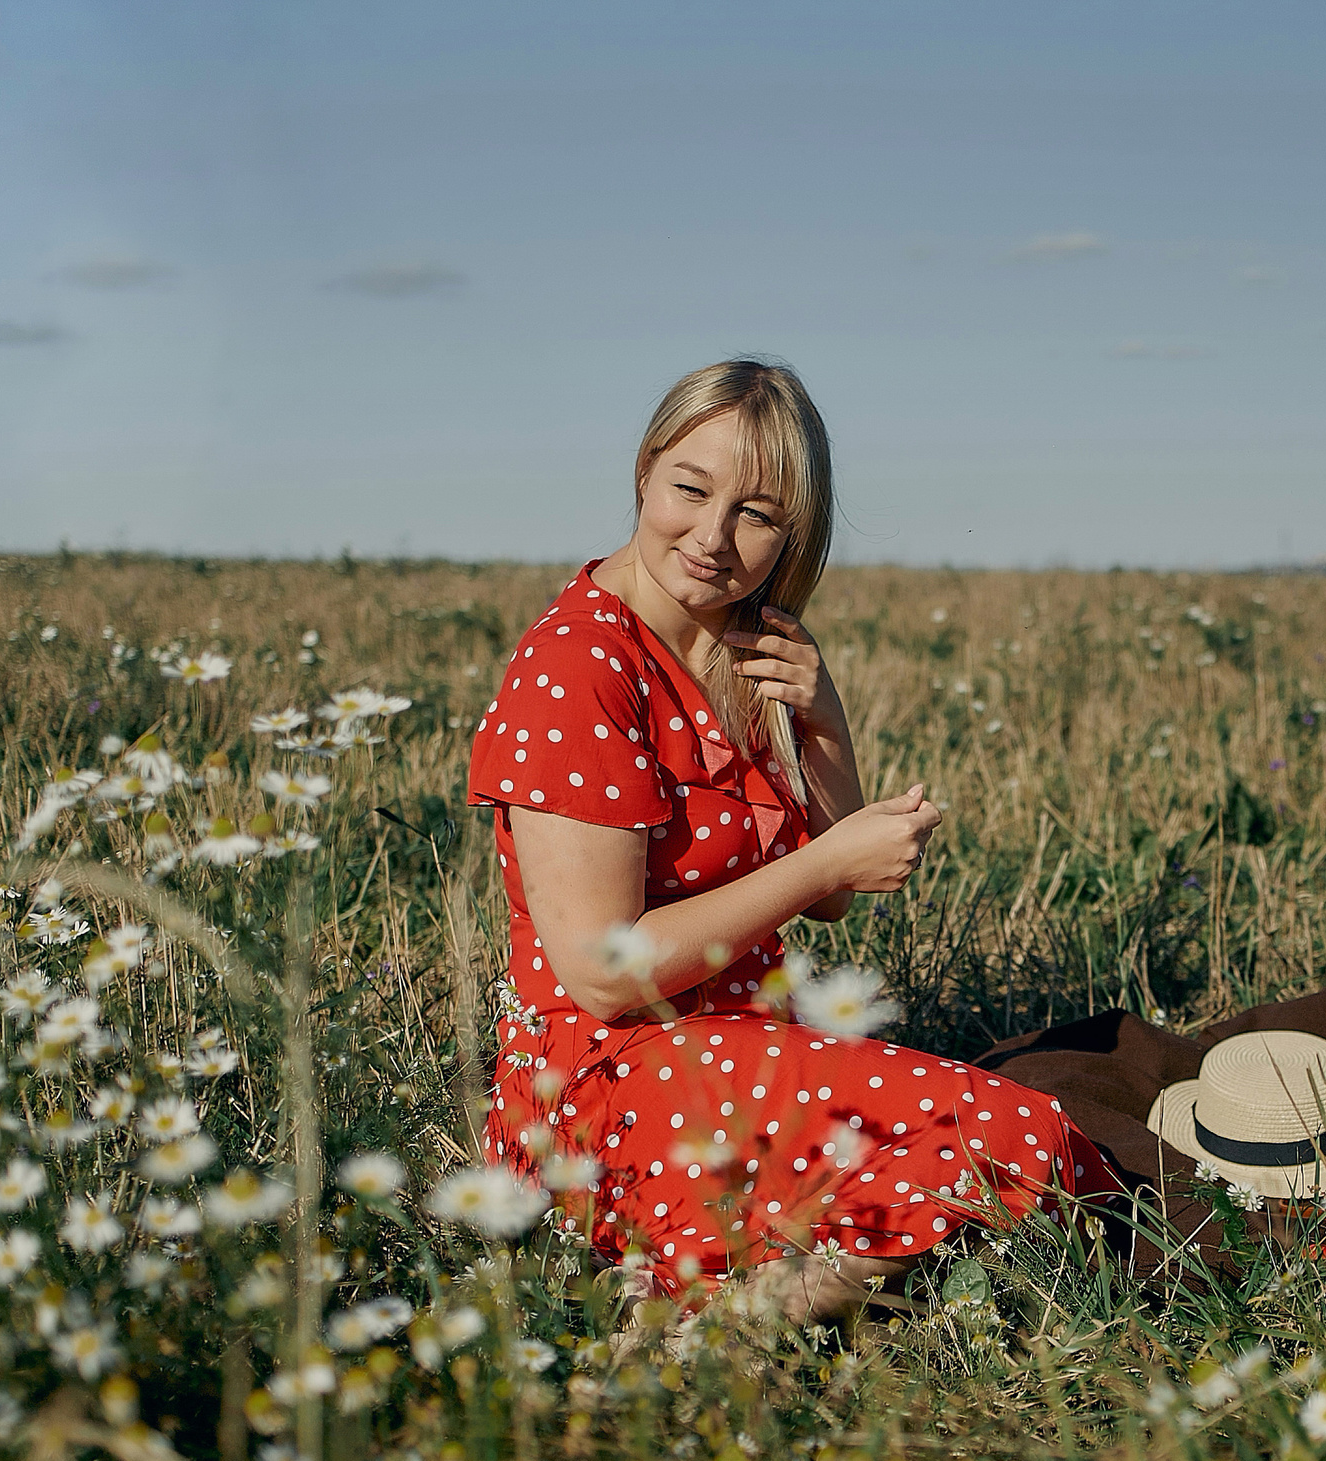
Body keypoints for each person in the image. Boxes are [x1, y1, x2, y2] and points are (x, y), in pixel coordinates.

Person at [467, 359, 1122, 1322]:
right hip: (606, 1097)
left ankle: (750, 1278)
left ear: (794, 533)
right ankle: (749, 1318)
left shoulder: (741, 648)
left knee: (1019, 1145)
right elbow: (606, 974)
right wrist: (826, 859)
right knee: (1018, 1134)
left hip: (722, 1058)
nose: (713, 537)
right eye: (692, 490)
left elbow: (833, 898)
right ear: (646, 471)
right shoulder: (578, 668)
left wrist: (823, 721)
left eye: (758, 515)